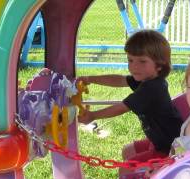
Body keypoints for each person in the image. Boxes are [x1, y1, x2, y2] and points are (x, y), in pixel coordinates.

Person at [77, 30, 182, 163]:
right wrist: (90, 79)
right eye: (130, 60)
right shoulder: (147, 79)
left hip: (171, 150)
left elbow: (122, 107)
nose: (134, 66)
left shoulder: (153, 88)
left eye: (142, 61)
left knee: (126, 168)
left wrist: (93, 115)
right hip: (160, 142)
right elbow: (120, 80)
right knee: (128, 151)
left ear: (160, 65)